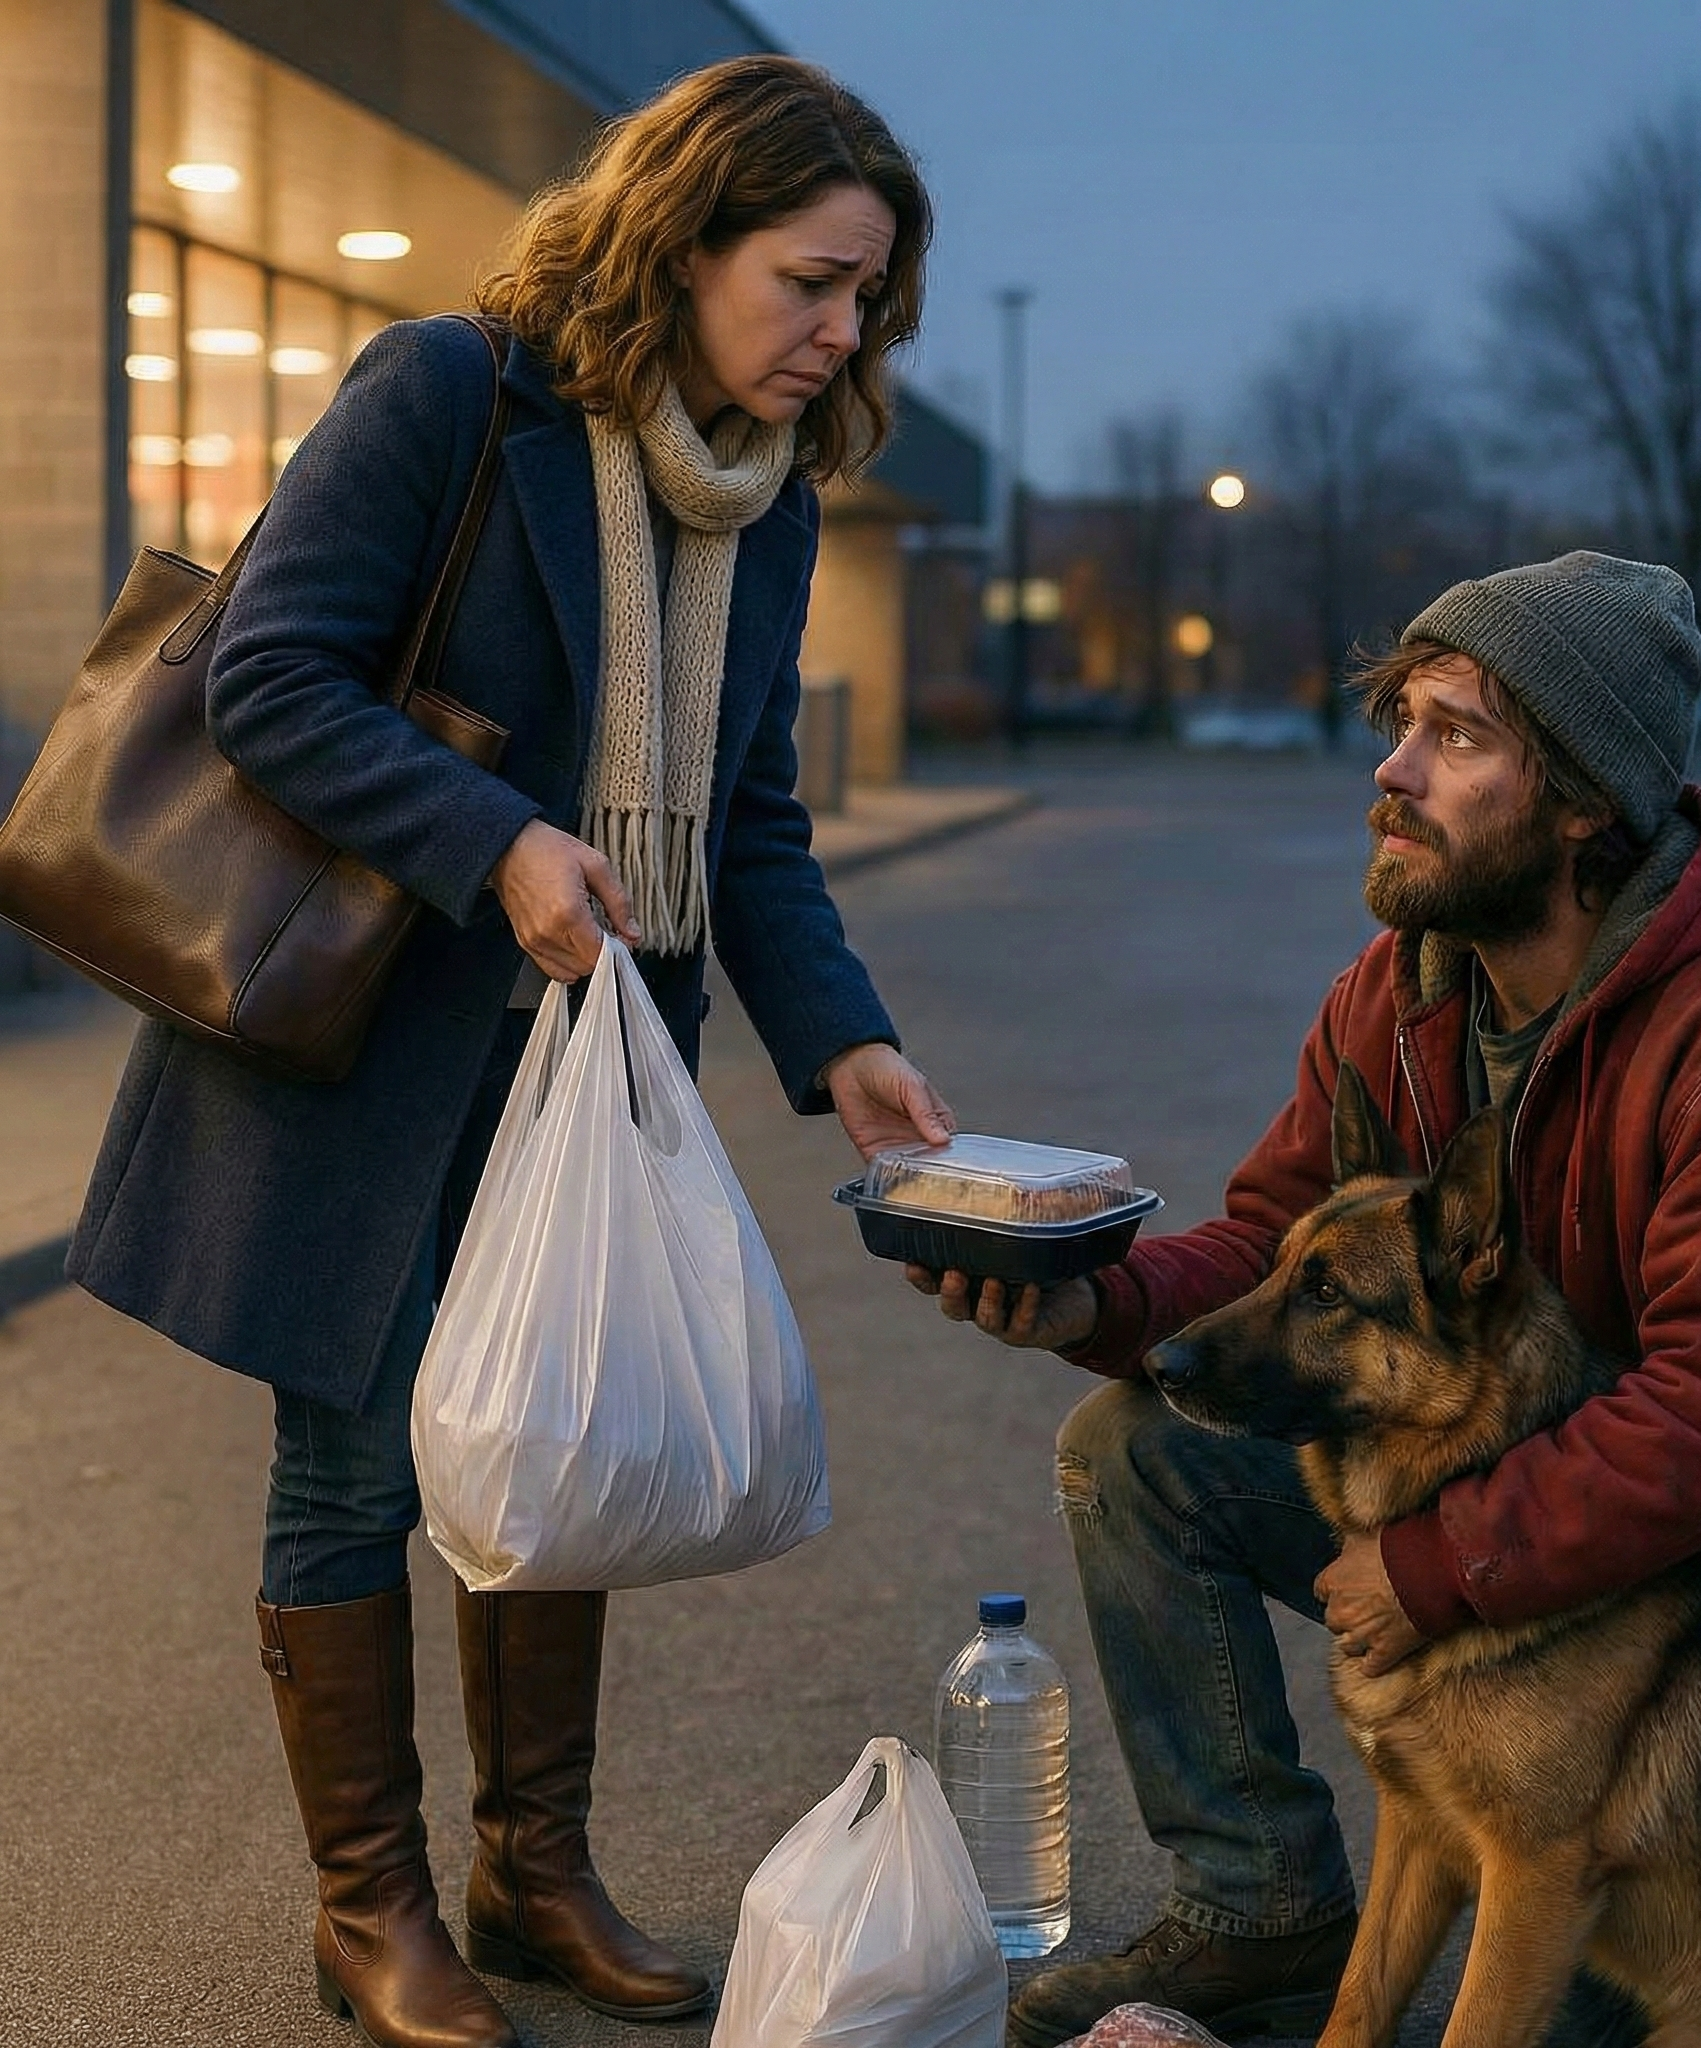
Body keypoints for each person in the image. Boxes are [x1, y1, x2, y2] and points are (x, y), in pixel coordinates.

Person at [68, 57, 954, 2048]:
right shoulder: (449, 393)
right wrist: (499, 841)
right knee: (359, 1454)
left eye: (870, 304)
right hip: (368, 1036)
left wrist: (850, 1042)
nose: (840, 333)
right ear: (686, 237)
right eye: (812, 282)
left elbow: (744, 821)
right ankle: (366, 1901)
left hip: (588, 1056)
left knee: (556, 1445)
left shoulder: (769, 498)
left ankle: (530, 1867)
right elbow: (269, 679)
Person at [912, 552, 1701, 2048]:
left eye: (1456, 734)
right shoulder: (1402, 993)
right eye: (1400, 718)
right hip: (1506, 1501)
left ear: (1585, 799)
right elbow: (1273, 1243)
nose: (1392, 768)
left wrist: (1439, 1566)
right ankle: (1261, 1911)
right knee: (1139, 1448)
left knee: (1603, 1986)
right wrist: (1093, 1304)